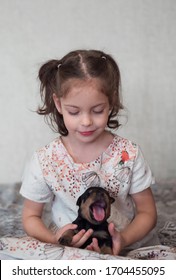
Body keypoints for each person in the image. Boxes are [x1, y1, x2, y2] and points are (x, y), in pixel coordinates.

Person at [20, 49, 158, 255]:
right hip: (68, 249)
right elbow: (30, 217)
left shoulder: (128, 154)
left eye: (97, 110)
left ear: (110, 102)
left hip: (122, 245)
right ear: (58, 104)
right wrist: (54, 239)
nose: (86, 121)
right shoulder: (46, 160)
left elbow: (147, 212)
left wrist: (124, 239)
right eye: (74, 112)